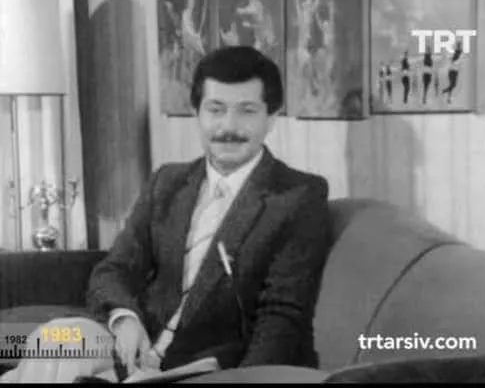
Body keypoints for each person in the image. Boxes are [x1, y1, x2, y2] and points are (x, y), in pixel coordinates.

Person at [0, 45, 330, 383]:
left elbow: (282, 315)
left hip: (204, 369)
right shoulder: (168, 182)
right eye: (215, 109)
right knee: (57, 337)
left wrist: (246, 380)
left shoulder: (298, 196)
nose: (228, 126)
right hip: (129, 349)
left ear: (271, 117)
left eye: (247, 111)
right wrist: (124, 318)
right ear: (197, 113)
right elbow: (114, 269)